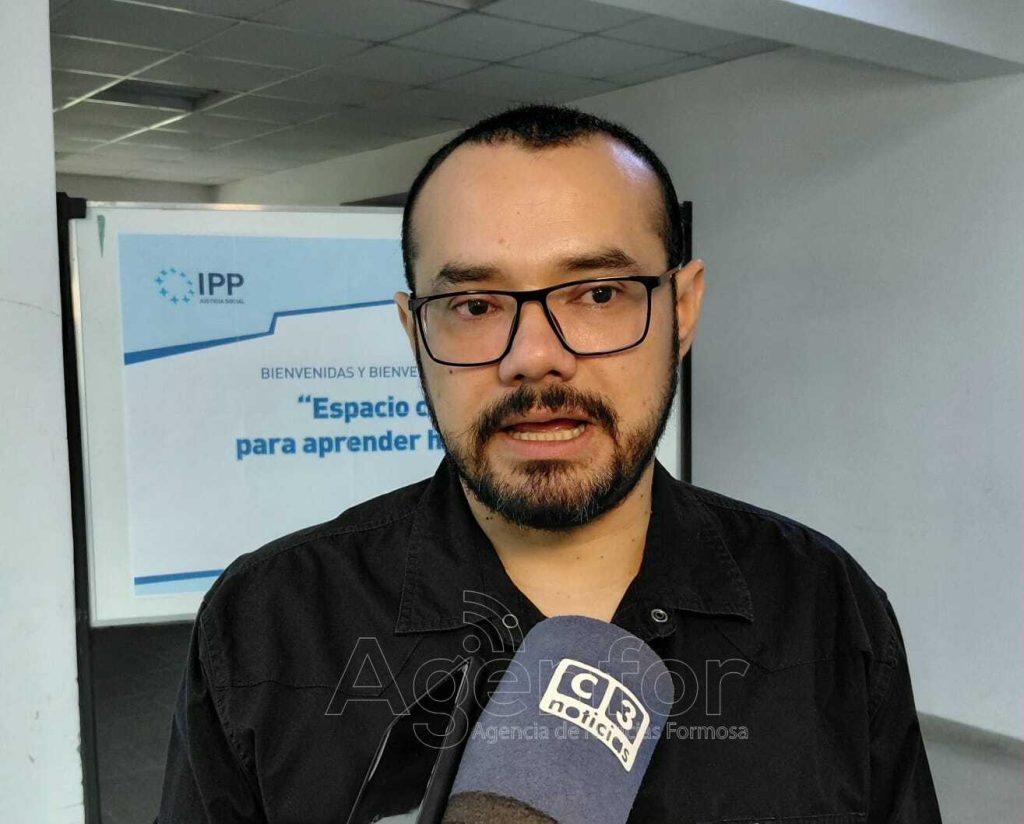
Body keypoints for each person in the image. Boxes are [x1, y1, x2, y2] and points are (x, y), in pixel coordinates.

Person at [156, 103, 942, 823]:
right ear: (415, 331)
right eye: (474, 306)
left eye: (597, 294)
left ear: (681, 310)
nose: (534, 357)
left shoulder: (826, 606)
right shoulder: (267, 625)